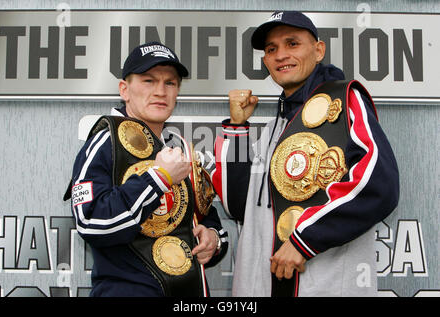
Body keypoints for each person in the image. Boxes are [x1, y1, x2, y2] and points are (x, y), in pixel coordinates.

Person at [212, 11, 399, 296]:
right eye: (271, 49)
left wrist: (304, 240)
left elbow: (379, 185)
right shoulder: (276, 125)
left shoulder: (343, 100)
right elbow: (239, 206)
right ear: (265, 61)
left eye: (292, 43)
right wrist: (237, 129)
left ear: (319, 50)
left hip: (325, 286)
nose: (280, 55)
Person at [66, 42, 228, 297]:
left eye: (170, 83)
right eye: (148, 81)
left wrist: (212, 240)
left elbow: (208, 219)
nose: (160, 91)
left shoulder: (180, 147)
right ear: (124, 90)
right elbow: (90, 222)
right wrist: (159, 178)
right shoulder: (105, 141)